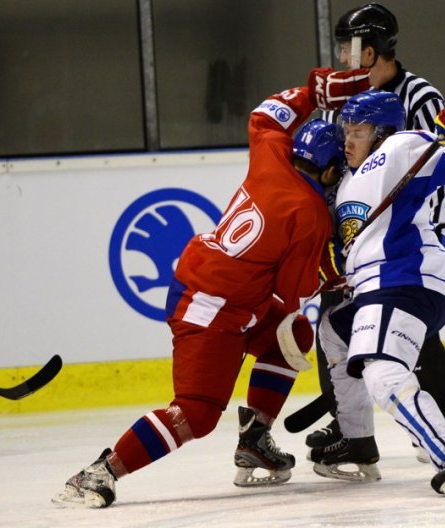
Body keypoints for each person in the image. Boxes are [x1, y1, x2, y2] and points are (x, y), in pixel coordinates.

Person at [52, 83, 345, 508]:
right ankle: (99, 471)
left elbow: (265, 114)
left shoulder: (270, 155)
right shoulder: (312, 214)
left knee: (293, 334)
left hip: (219, 289)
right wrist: (334, 272)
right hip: (212, 308)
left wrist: (316, 89)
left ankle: (255, 438)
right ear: (332, 171)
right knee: (197, 413)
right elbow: (293, 291)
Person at [304, 2, 445, 459]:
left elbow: (432, 167)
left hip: (417, 238)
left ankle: (434, 421)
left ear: (375, 47)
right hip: (363, 244)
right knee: (337, 325)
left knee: (410, 328)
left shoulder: (420, 100)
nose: (345, 57)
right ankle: (354, 431)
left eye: (352, 46)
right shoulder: (341, 104)